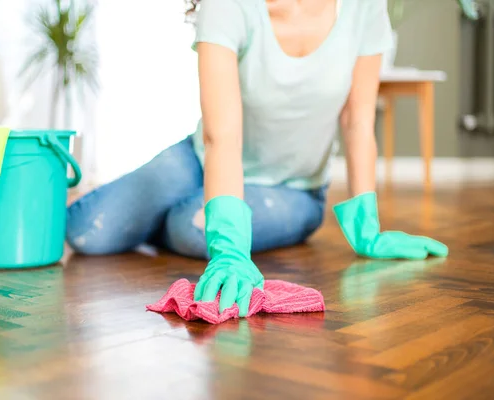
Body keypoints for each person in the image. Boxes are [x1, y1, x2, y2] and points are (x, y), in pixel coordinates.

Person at [66, 0, 448, 317]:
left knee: (192, 226)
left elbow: (358, 120)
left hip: (290, 188)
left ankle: (171, 216)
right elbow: (223, 137)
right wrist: (229, 252)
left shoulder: (364, 7)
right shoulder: (228, 6)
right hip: (200, 158)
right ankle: (178, 213)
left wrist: (368, 228)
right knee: (87, 230)